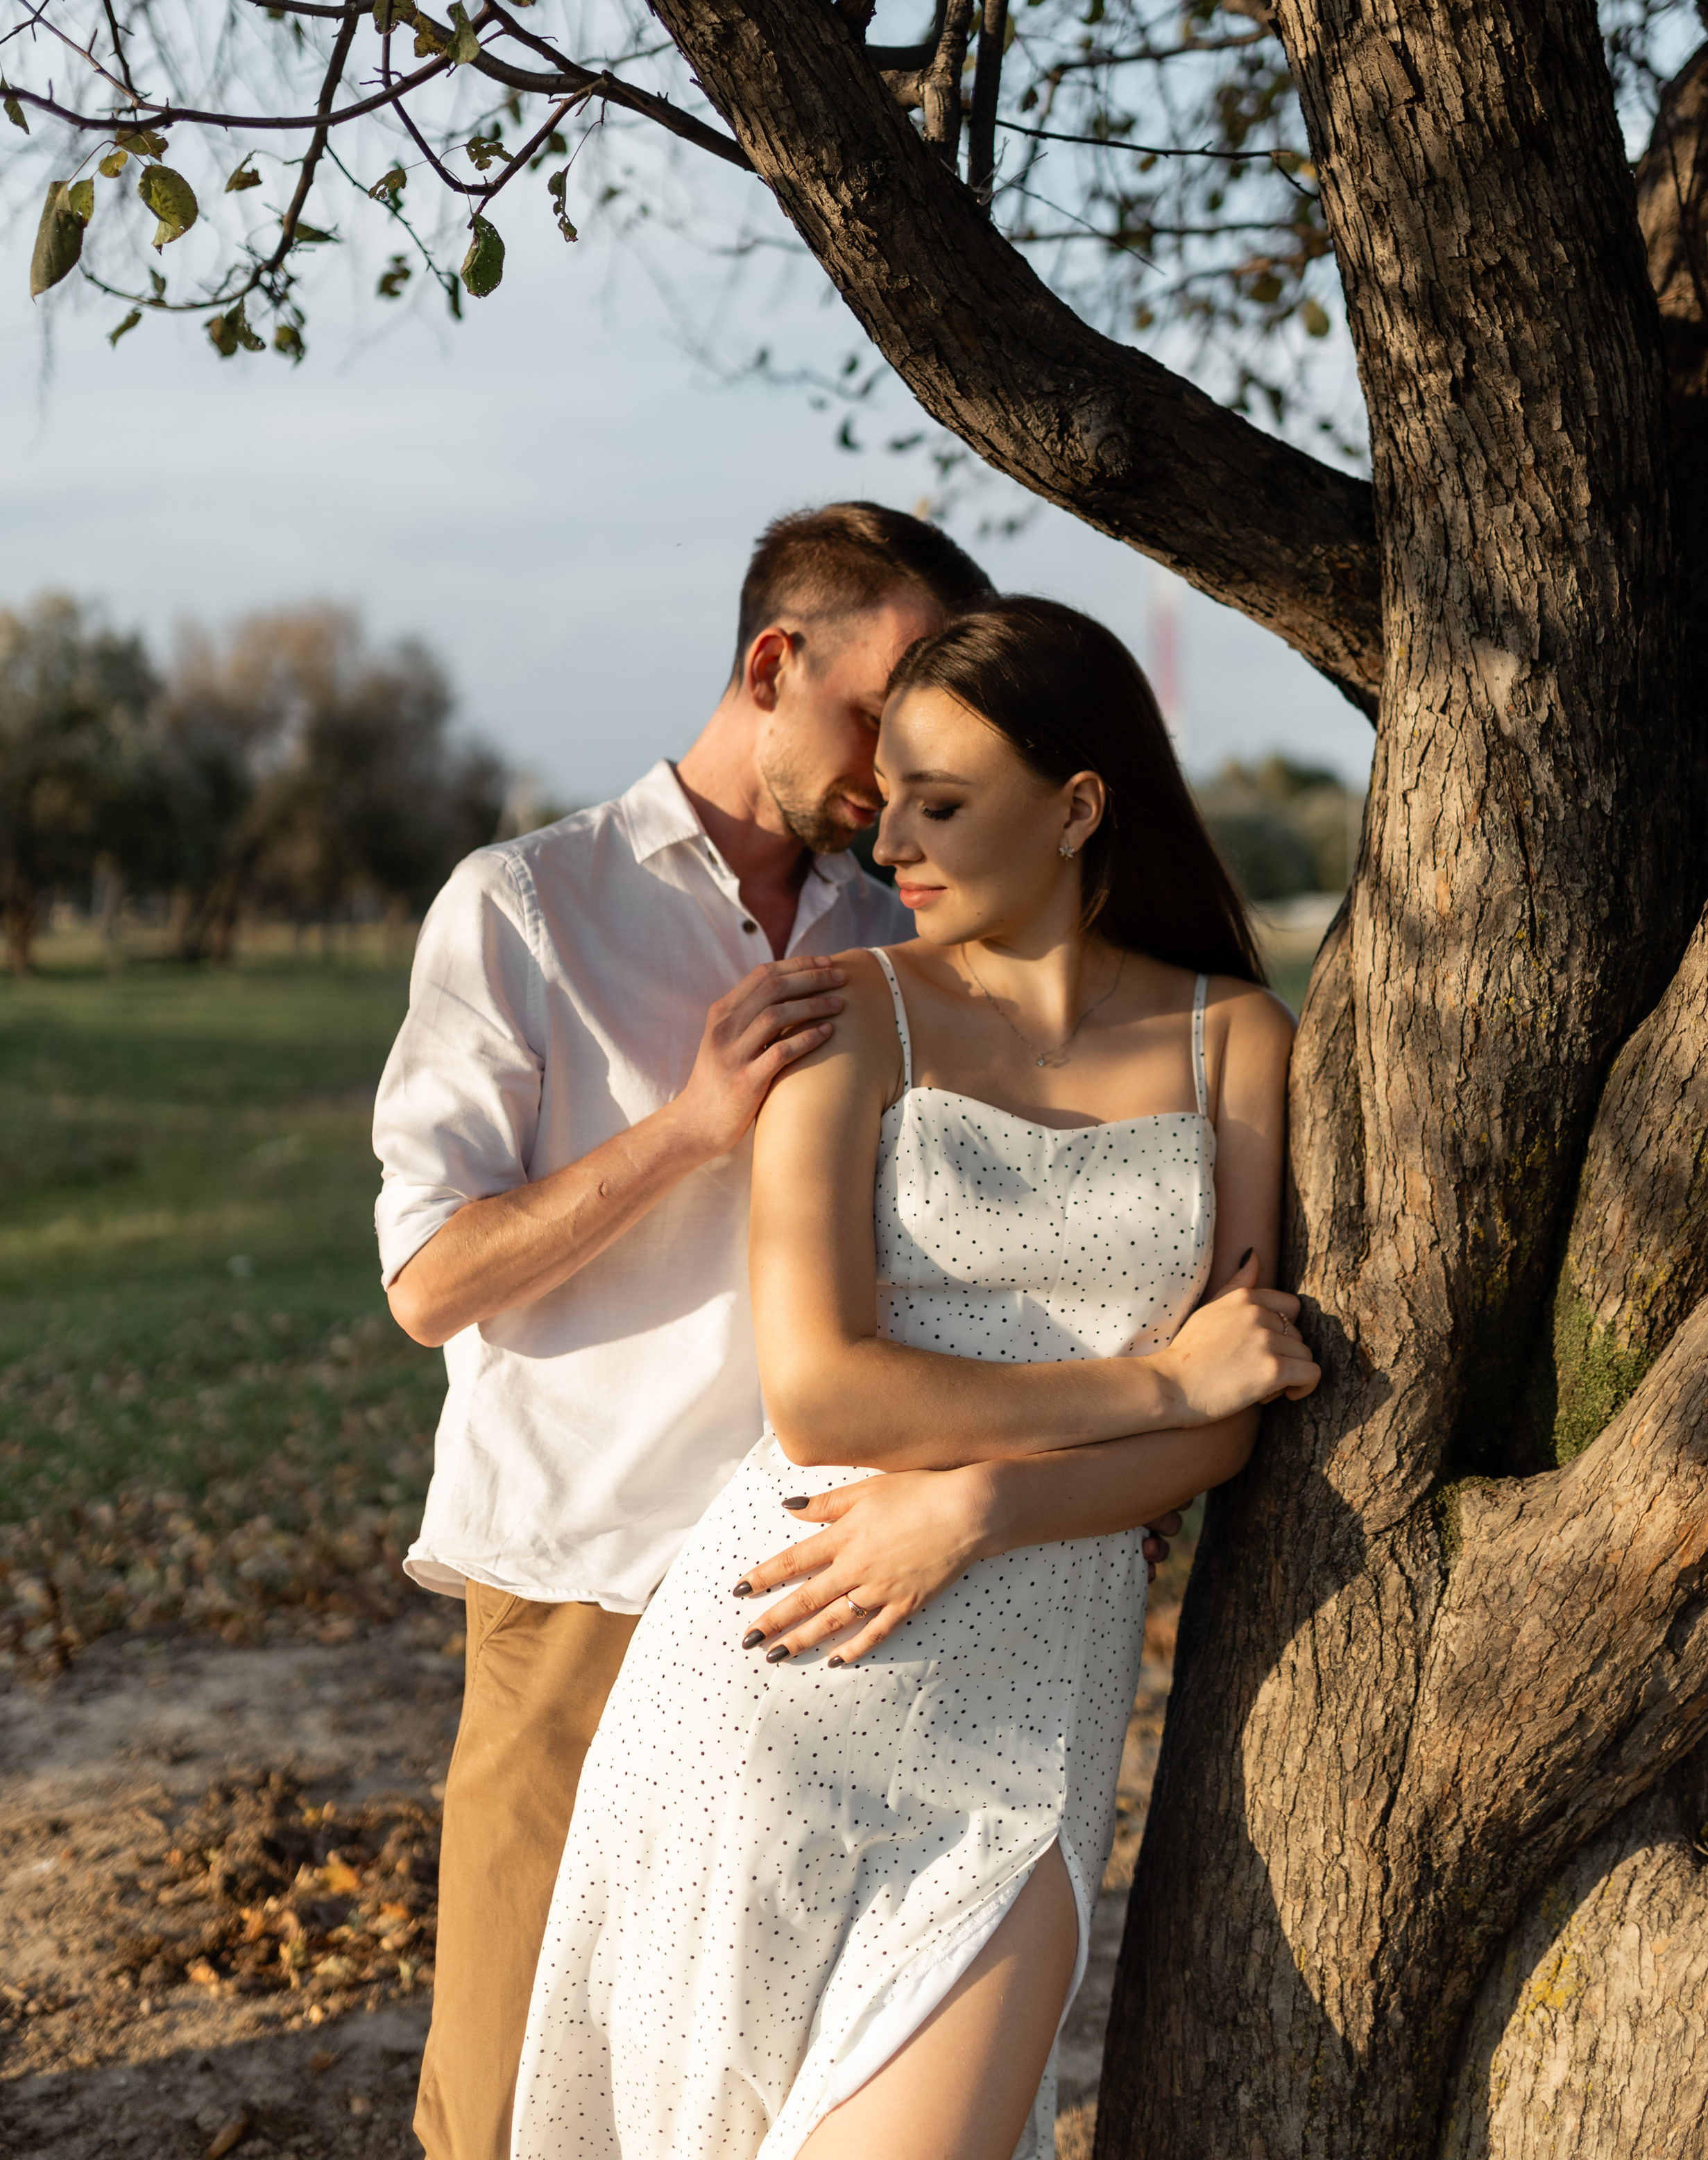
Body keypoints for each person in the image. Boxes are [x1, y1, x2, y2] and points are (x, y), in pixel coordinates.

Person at [511, 595, 1317, 2160]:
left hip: (1025, 1723)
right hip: (784, 1658)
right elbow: (825, 1398)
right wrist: (1156, 1387)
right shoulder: (850, 1022)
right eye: (889, 810)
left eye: (941, 807)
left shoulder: (1237, 1041)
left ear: (1079, 806)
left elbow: (1230, 1438)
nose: (894, 854)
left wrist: (980, 1511)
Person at [373, 503, 996, 2160]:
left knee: (741, 2092)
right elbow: (429, 1278)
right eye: (878, 717)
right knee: (511, 2102)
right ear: (770, 664)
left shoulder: (894, 942)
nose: (899, 769)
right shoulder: (524, 906)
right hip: (588, 1581)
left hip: (820, 1597)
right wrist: (687, 1126)